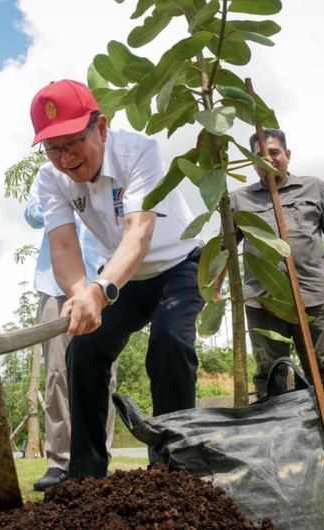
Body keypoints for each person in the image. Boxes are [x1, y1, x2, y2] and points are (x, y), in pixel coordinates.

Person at [29, 79, 204, 479]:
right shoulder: (50, 179)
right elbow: (63, 247)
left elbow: (139, 233)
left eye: (73, 141)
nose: (65, 158)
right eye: (53, 148)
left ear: (101, 128)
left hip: (178, 264)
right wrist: (78, 295)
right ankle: (86, 476)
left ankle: (174, 470)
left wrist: (99, 291)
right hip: (123, 277)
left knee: (169, 341)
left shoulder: (138, 152)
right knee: (84, 346)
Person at [229, 128, 324, 460]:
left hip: (313, 298)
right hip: (263, 302)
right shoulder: (240, 200)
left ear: (287, 155)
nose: (268, 160)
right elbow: (225, 245)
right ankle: (278, 443)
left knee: (320, 368)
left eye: (274, 152)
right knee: (271, 373)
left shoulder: (314, 189)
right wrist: (213, 288)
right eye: (259, 156)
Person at [24, 178, 119, 491]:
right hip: (56, 286)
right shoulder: (48, 174)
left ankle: (97, 456)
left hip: (103, 283)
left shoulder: (107, 170)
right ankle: (60, 461)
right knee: (57, 373)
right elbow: (32, 214)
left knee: (103, 374)